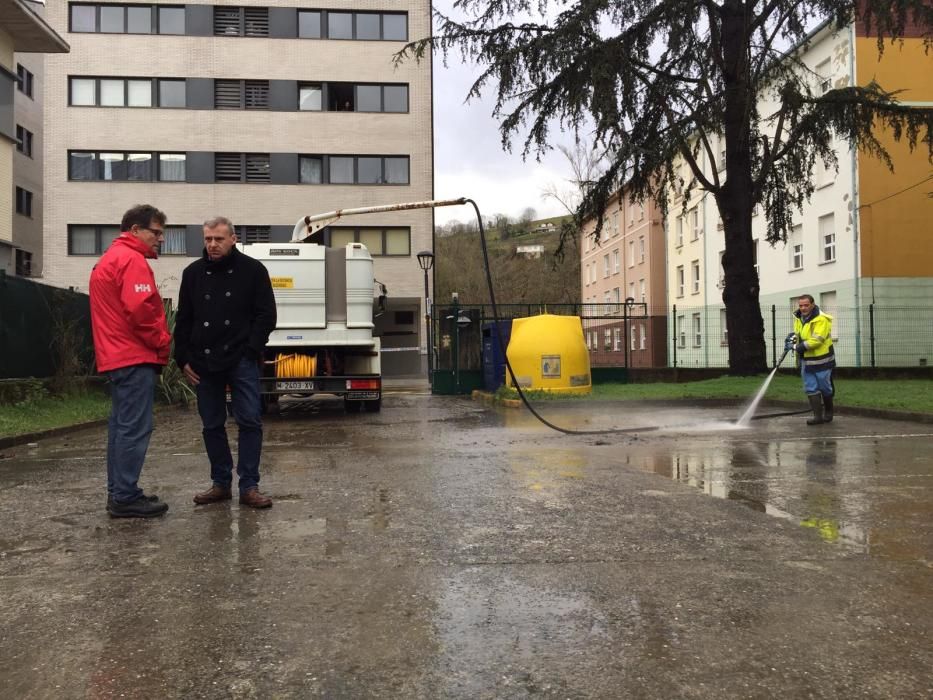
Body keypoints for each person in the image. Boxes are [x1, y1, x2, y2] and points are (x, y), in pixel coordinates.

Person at [175, 217, 277, 508]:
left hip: (241, 358)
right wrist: (182, 358)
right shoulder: (192, 273)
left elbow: (266, 315)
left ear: (233, 239)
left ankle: (249, 486)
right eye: (208, 239)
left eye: (218, 239)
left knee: (249, 421)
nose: (212, 245)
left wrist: (251, 350)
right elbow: (184, 319)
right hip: (204, 360)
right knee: (211, 424)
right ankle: (220, 483)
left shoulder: (253, 271)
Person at [89, 204, 172, 518]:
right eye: (156, 232)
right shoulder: (130, 260)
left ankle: (120, 493)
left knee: (121, 428)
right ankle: (124, 497)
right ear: (135, 230)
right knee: (134, 428)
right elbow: (141, 311)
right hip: (133, 355)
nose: (160, 239)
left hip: (116, 356)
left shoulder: (109, 259)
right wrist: (163, 342)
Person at [785, 294, 835, 425]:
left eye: (806, 305)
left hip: (822, 360)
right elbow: (800, 334)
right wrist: (793, 338)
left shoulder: (821, 319)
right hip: (806, 360)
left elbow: (817, 340)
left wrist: (797, 346)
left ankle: (829, 411)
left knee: (825, 387)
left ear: (812, 304)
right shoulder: (798, 318)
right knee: (811, 387)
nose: (803, 308)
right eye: (801, 305)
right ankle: (817, 417)